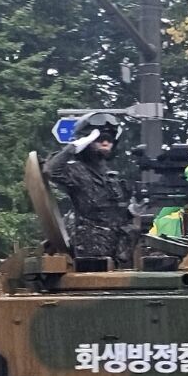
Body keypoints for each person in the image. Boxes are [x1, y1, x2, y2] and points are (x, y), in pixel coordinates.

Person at [42, 112, 134, 266]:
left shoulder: (111, 177)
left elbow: (117, 216)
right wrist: (75, 146)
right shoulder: (78, 171)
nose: (106, 142)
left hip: (118, 251)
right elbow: (51, 170)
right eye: (99, 139)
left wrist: (133, 211)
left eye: (110, 139)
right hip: (90, 251)